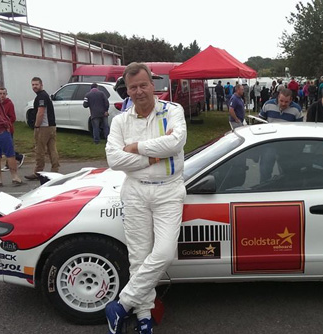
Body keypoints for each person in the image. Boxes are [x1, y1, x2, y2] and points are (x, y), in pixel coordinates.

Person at [104, 62, 186, 334]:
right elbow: (114, 159)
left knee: (163, 253)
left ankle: (122, 304)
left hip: (168, 191)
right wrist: (152, 156)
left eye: (143, 85)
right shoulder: (120, 120)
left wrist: (136, 148)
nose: (138, 91)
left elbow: (176, 143)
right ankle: (143, 318)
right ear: (126, 90)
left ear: (153, 85)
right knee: (139, 258)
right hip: (136, 191)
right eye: (132, 87)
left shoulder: (173, 111)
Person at [25, 77, 60, 180]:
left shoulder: (41, 97)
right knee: (52, 149)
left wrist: (36, 126)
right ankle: (55, 170)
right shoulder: (45, 95)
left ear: (41, 85)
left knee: (40, 149)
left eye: (36, 84)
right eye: (33, 85)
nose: (34, 86)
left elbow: (40, 112)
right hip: (51, 126)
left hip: (44, 127)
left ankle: (38, 172)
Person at [0, 87, 25, 172]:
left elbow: (13, 117)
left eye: (4, 94)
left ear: (6, 94)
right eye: (0, 94)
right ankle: (18, 156)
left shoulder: (9, 103)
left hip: (8, 128)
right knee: (3, 147)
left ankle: (8, 164)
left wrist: (6, 123)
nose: (2, 95)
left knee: (7, 146)